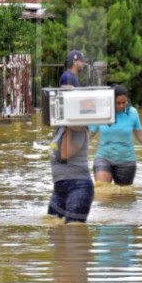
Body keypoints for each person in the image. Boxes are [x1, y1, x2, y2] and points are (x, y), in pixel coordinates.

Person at [47, 50, 93, 223]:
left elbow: (65, 154)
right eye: (81, 60)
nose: (83, 64)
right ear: (75, 61)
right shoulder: (68, 78)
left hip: (76, 186)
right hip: (62, 187)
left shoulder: (73, 130)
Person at [88, 85, 142, 186]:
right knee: (102, 191)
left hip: (126, 160)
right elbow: (88, 135)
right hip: (103, 157)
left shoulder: (132, 113)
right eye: (118, 103)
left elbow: (140, 135)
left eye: (124, 102)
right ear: (110, 101)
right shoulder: (101, 112)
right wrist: (74, 152)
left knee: (123, 197)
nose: (122, 106)